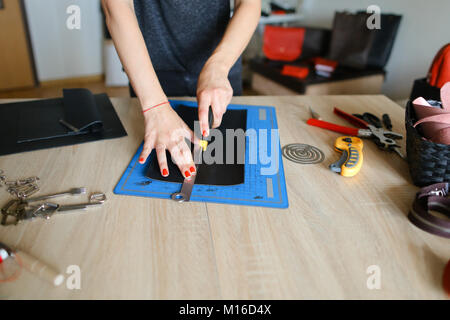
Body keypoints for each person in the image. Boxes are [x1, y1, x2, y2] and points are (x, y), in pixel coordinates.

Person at [102, 0, 261, 179]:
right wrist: (155, 107)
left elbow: (249, 4)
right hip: (149, 76)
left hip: (220, 70)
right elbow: (116, 7)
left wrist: (219, 65)